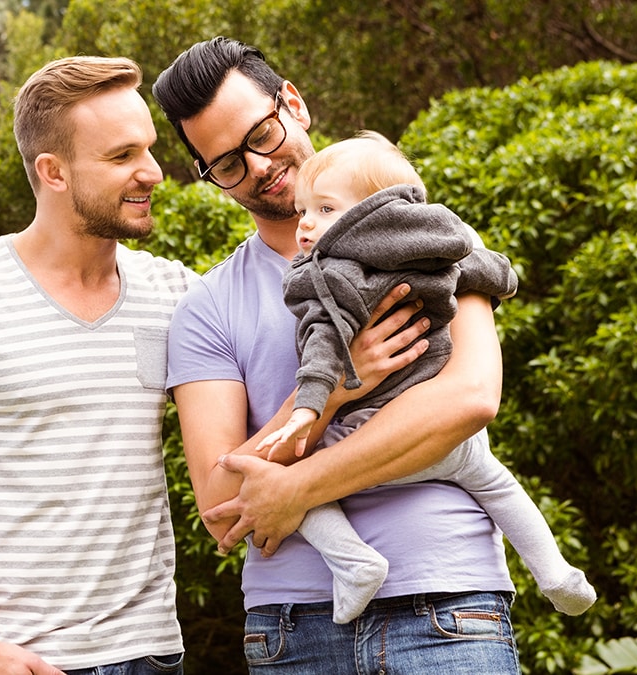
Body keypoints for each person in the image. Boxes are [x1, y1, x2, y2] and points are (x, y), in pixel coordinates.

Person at [153, 37, 523, 671]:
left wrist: (294, 488)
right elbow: (222, 503)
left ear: (291, 103)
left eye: (261, 135)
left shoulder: (426, 233)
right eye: (228, 164)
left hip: (447, 608)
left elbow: (469, 399)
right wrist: (339, 386)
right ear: (212, 179)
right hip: (292, 629)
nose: (259, 167)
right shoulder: (207, 307)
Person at [0, 56, 192, 675]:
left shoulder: (177, 295)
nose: (152, 172)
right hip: (19, 659)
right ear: (53, 171)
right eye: (122, 155)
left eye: (149, 149)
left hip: (153, 655)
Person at [253, 130, 596, 624]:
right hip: (451, 443)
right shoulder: (443, 244)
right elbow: (489, 272)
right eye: (304, 210)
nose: (305, 224)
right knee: (500, 486)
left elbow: (322, 345)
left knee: (290, 491)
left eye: (324, 209)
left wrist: (308, 407)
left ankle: (355, 565)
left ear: (375, 211)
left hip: (374, 439)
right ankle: (556, 574)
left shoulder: (333, 275)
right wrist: (504, 279)